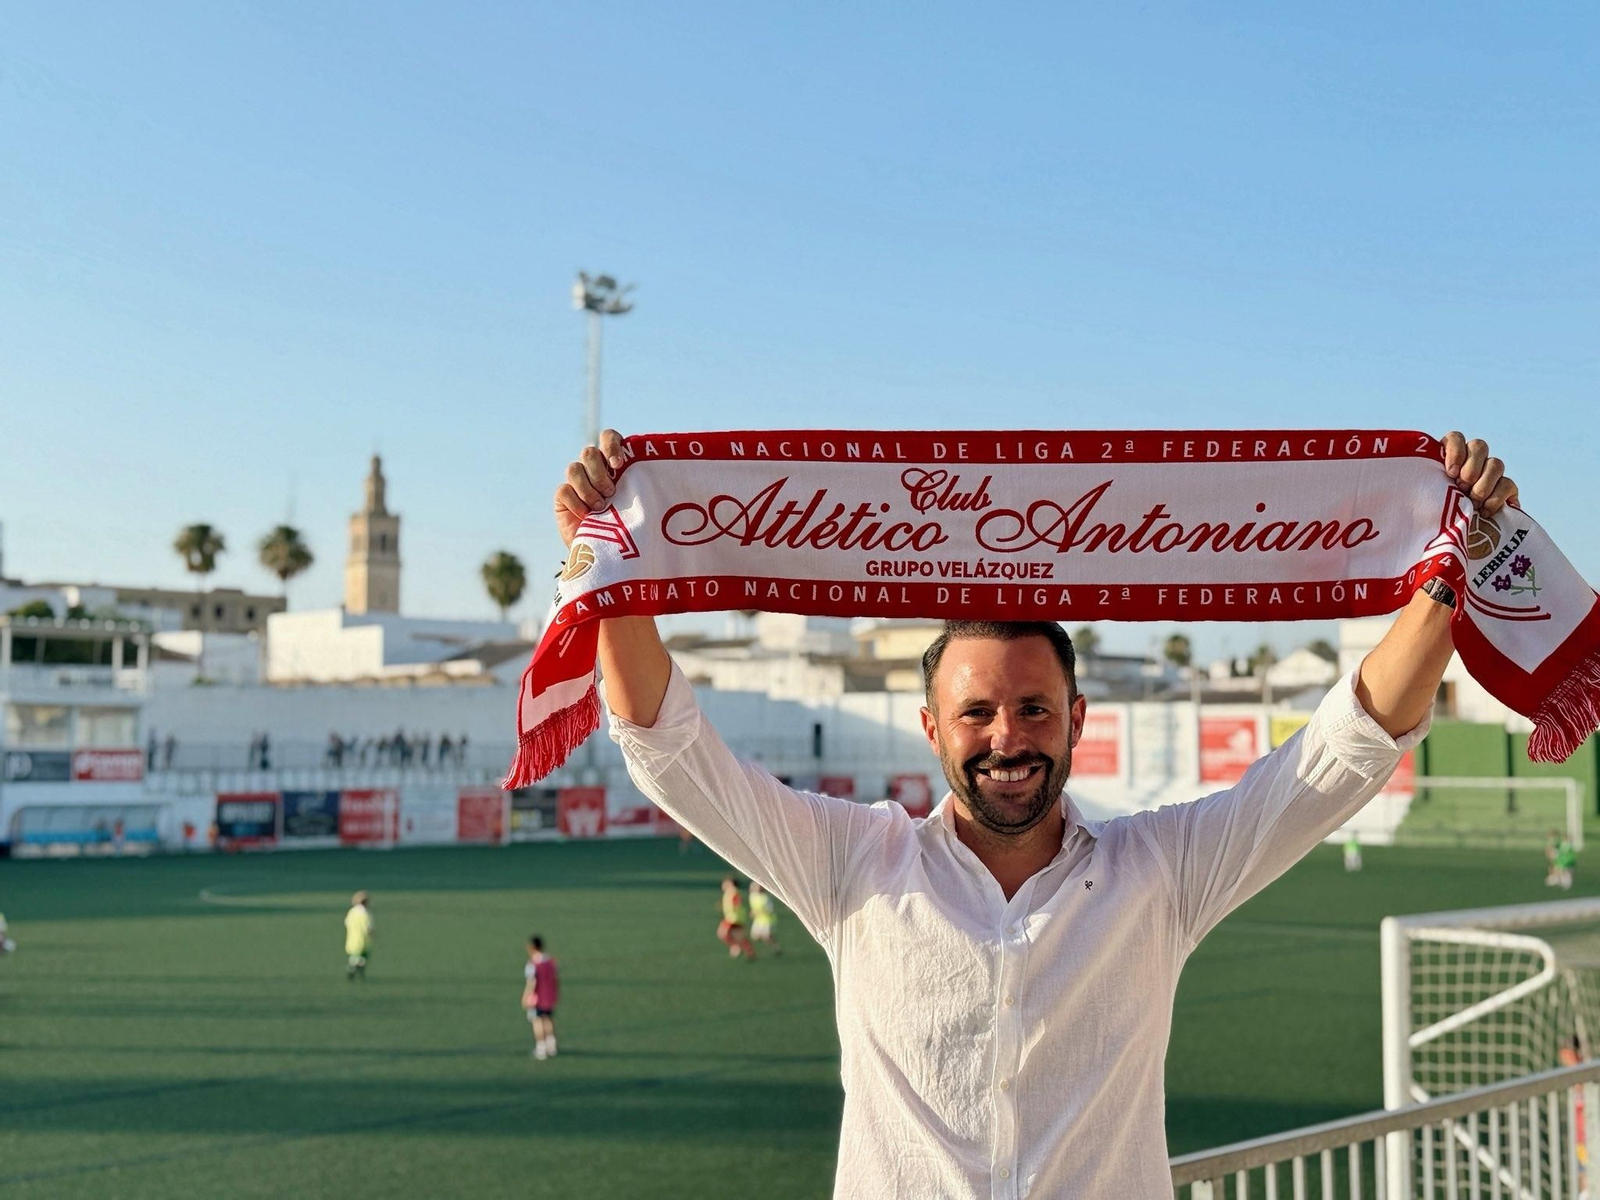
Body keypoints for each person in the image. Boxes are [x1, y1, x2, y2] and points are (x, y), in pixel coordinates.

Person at [558, 428, 1515, 1197]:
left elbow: (1343, 751)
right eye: (976, 712)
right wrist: (615, 566)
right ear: (932, 728)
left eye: (1033, 709)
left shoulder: (1162, 873)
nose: (1007, 738)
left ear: (1077, 720)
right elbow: (674, 755)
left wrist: (1447, 575)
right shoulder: (853, 864)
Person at [522, 935, 560, 1059]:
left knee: (537, 1021)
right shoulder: (551, 961)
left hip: (537, 997)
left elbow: (532, 982)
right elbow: (555, 978)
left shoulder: (533, 964)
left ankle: (541, 1047)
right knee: (548, 1018)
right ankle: (551, 1044)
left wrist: (526, 996)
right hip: (549, 995)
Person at [717, 876, 756, 960]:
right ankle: (750, 951)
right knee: (739, 936)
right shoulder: (730, 892)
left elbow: (737, 901)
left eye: (725, 882)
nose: (723, 884)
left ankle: (736, 947)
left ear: (730, 883)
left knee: (722, 933)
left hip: (733, 918)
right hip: (734, 918)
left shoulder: (733, 891)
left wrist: (735, 904)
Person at [344, 891, 373, 980]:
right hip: (362, 939)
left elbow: (346, 923)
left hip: (352, 938)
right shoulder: (364, 913)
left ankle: (352, 968)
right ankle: (358, 970)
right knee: (362, 956)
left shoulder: (352, 912)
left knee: (354, 955)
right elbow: (367, 927)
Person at [749, 881, 782, 954]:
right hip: (758, 920)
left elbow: (769, 910)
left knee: (767, 936)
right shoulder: (753, 896)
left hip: (767, 920)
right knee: (755, 937)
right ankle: (766, 943)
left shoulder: (765, 898)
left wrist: (757, 913)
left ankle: (776, 947)